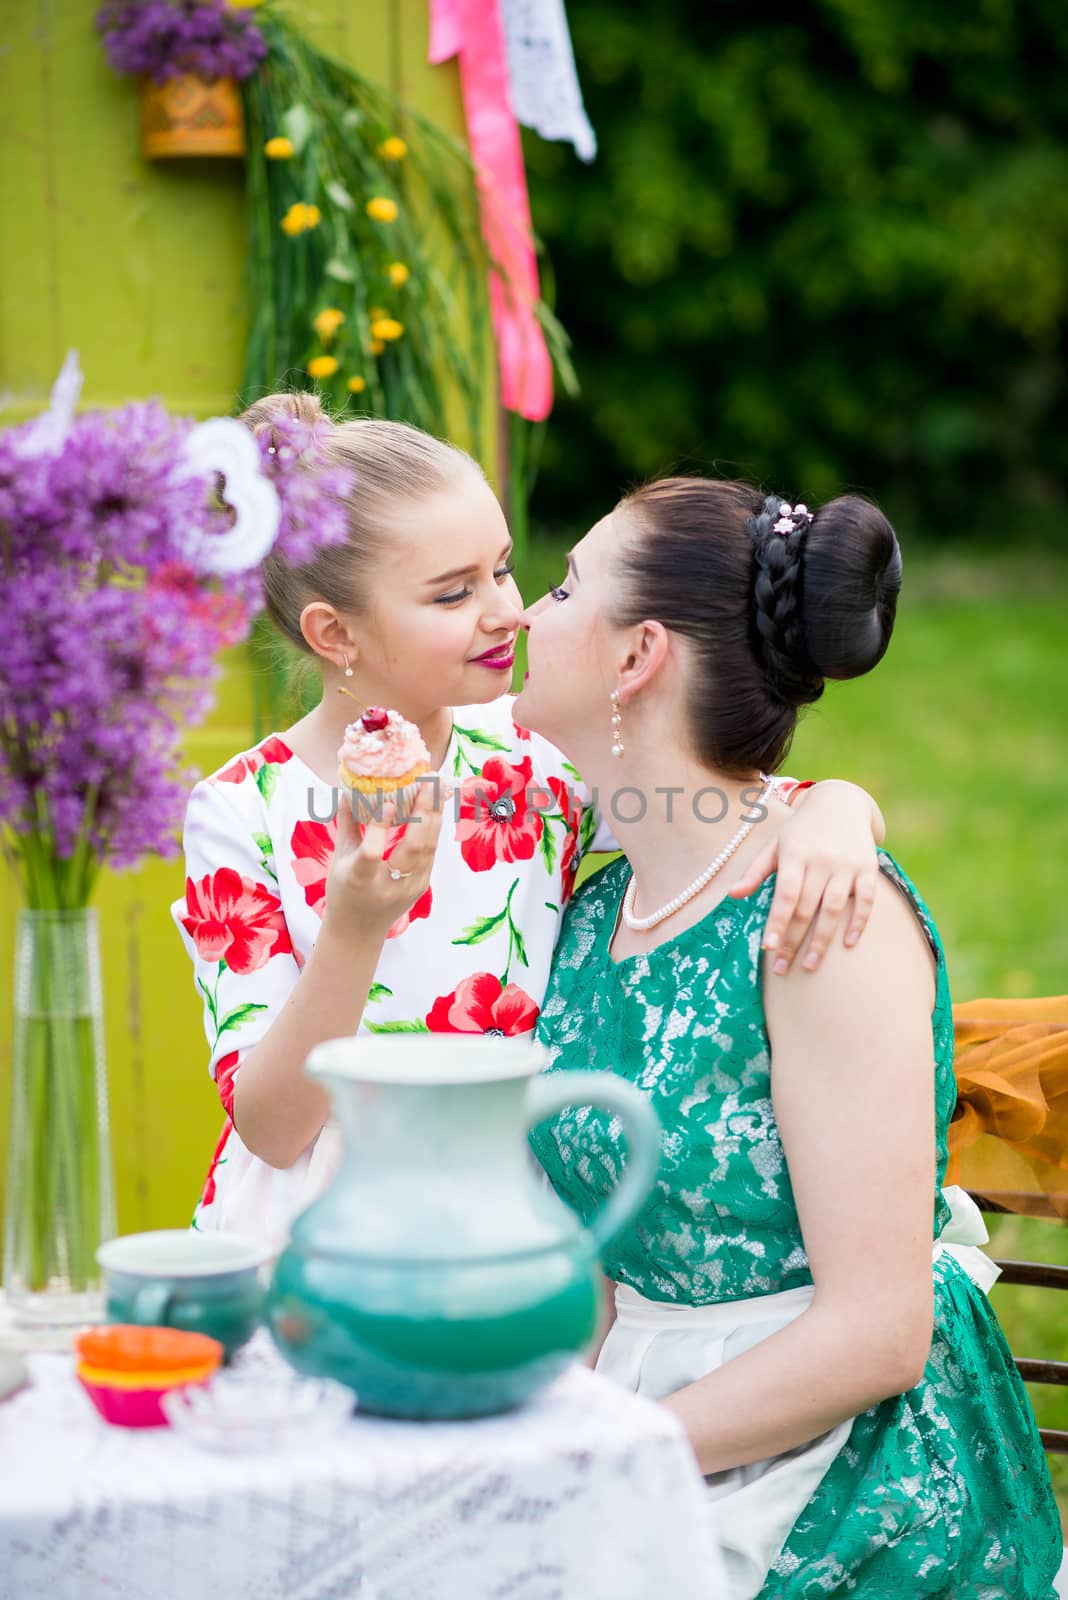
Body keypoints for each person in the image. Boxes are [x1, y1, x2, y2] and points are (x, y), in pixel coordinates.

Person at [172, 396, 886, 1252]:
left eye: (504, 569)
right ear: (336, 633)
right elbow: (272, 1129)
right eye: (452, 594)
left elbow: (731, 808)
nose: (507, 611)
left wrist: (839, 806)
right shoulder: (240, 813)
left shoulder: (531, 757)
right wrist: (356, 925)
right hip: (325, 1238)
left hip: (512, 1224)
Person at [521, 480, 1062, 1599]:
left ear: (637, 658)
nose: (527, 611)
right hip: (637, 1415)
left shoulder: (822, 924)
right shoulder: (586, 905)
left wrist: (604, 1459)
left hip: (843, 1466)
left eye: (564, 585)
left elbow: (877, 1335)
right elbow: (611, 1269)